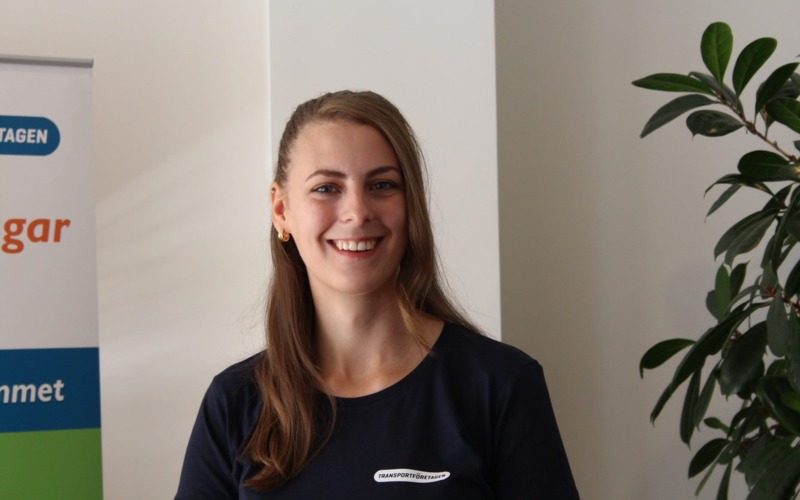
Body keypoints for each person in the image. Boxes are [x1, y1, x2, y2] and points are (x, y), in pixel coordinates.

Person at [176, 90, 579, 499]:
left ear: (411, 205)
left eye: (382, 184)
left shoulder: (500, 385)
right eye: (326, 188)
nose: (358, 212)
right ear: (281, 211)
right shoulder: (235, 402)